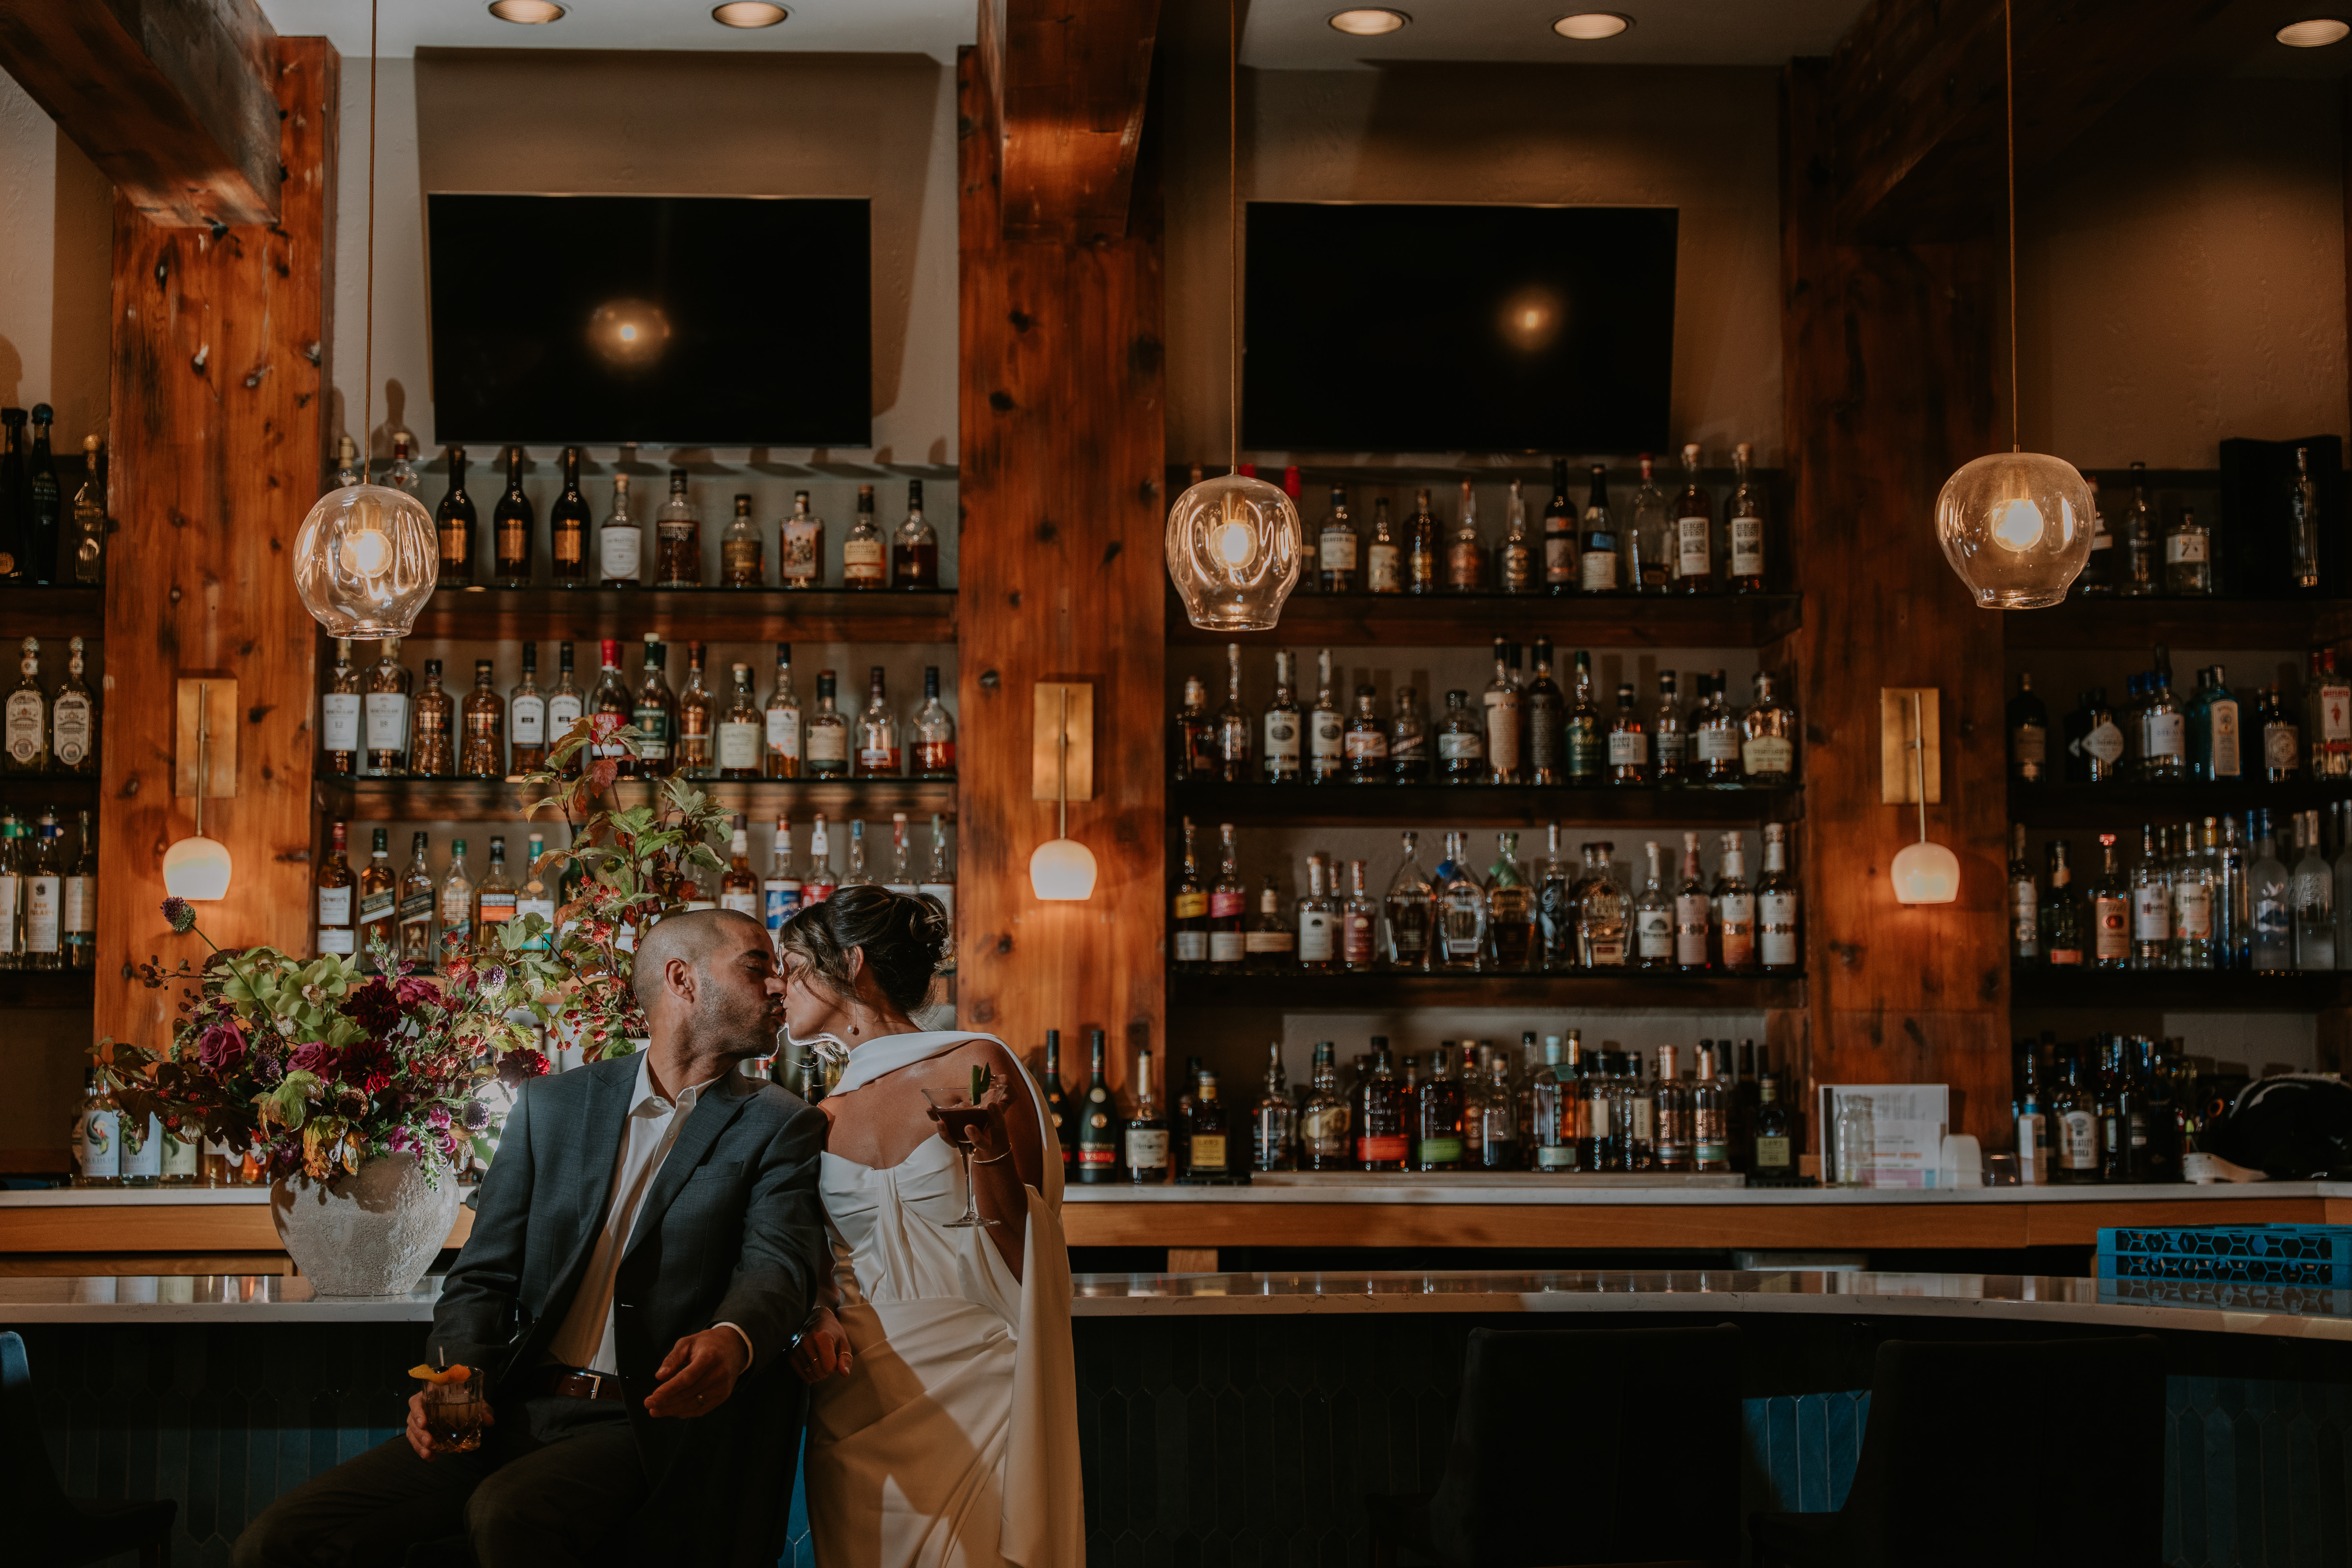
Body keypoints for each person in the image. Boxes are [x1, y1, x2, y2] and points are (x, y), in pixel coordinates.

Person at [236, 909, 830, 1568]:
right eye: (758, 966)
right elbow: (482, 1274)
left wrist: (734, 1337)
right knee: (278, 1540)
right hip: (513, 1409)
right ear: (682, 979)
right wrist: (451, 1377)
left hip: (644, 1425)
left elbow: (776, 1263)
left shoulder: (781, 1122)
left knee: (508, 1513)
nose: (781, 986)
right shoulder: (553, 1105)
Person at [781, 885, 1083, 1567]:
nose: (781, 983)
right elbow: (813, 1262)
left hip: (978, 1379)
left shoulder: (976, 1063)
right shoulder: (816, 1115)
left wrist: (990, 1149)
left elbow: (1029, 1254)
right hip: (855, 1394)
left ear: (851, 962)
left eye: (793, 964)